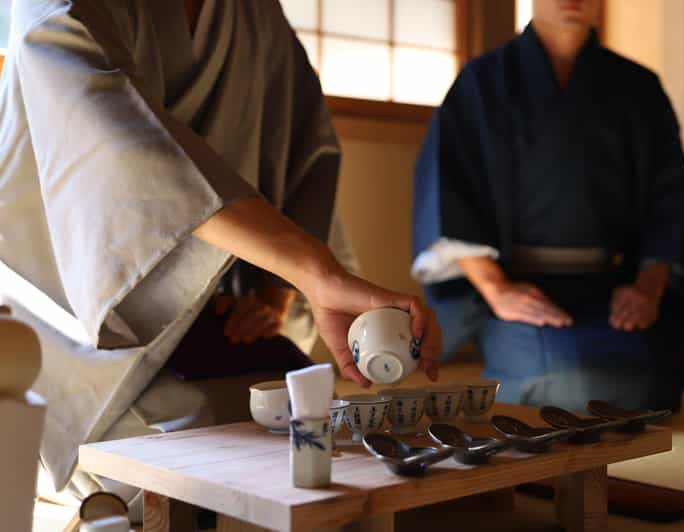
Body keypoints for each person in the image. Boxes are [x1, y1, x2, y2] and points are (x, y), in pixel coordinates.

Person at [0, 0, 441, 511]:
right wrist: (312, 270)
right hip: (67, 310)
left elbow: (306, 145)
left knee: (318, 437)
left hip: (206, 312)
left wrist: (277, 287)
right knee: (188, 466)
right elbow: (118, 138)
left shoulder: (254, 13)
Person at [412, 0, 684, 413]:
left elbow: (670, 196)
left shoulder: (639, 87)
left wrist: (647, 289)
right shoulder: (481, 83)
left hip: (611, 287)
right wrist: (498, 289)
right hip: (518, 286)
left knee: (645, 383)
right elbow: (448, 191)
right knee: (563, 380)